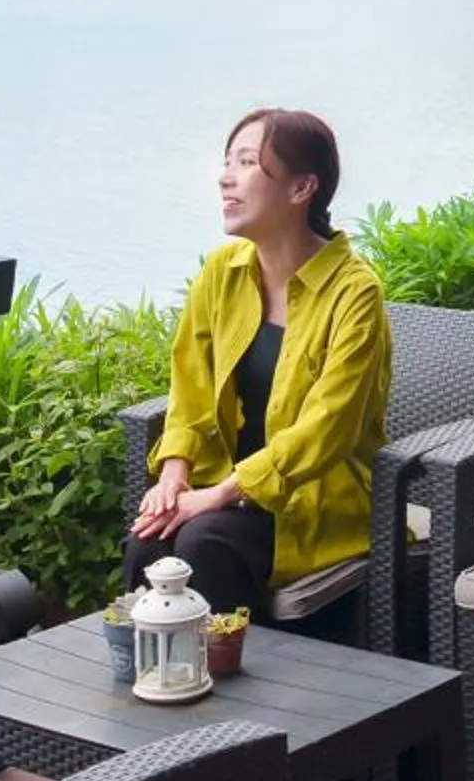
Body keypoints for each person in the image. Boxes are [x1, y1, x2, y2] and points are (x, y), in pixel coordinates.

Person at [126, 109, 392, 622]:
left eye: (247, 162)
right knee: (146, 545)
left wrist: (220, 495)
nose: (226, 177)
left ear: (302, 189)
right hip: (222, 487)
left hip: (312, 498)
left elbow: (329, 427)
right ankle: (157, 681)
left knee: (205, 542)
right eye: (228, 162)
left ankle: (228, 687)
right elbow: (191, 390)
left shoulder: (354, 292)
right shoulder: (221, 272)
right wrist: (174, 475)